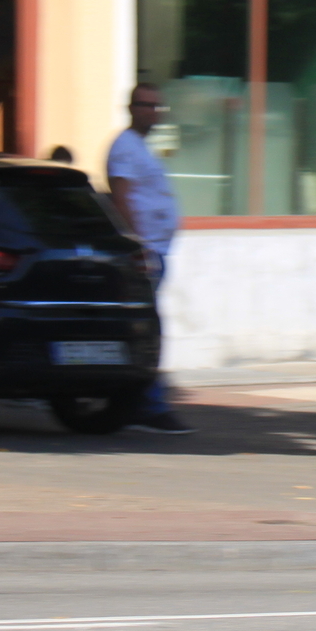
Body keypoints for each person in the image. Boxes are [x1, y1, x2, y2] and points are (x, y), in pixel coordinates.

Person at [105, 86, 192, 435]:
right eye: (145, 105)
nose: (152, 111)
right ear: (130, 108)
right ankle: (150, 406)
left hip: (157, 252)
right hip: (146, 254)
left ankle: (137, 403)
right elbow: (122, 198)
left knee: (146, 330)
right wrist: (137, 247)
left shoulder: (141, 148)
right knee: (148, 332)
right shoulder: (124, 147)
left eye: (157, 106)